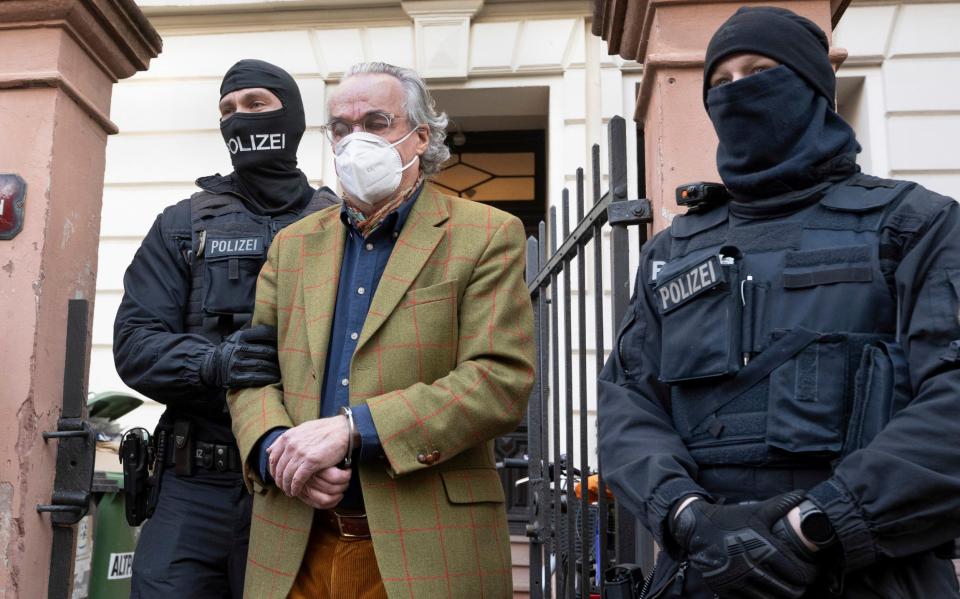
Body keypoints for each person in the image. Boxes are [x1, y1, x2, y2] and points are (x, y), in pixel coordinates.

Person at [597, 7, 960, 599]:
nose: (738, 90)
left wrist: (817, 525)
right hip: (706, 572)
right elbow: (629, 407)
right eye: (720, 81)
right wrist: (689, 518)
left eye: (760, 70)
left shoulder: (916, 224)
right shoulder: (672, 250)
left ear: (814, 86)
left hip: (869, 571)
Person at [226, 61, 535, 599]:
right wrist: (279, 449)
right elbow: (254, 372)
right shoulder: (293, 246)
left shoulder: (486, 234)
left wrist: (355, 429)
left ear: (421, 137)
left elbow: (498, 381)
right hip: (298, 540)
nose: (355, 140)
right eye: (342, 129)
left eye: (375, 122)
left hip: (426, 543)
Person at [114, 59, 338, 598]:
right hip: (195, 484)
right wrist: (212, 363)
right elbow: (134, 344)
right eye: (227, 110)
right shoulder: (182, 223)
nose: (239, 119)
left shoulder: (342, 222)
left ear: (293, 118)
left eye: (256, 104)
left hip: (300, 480)